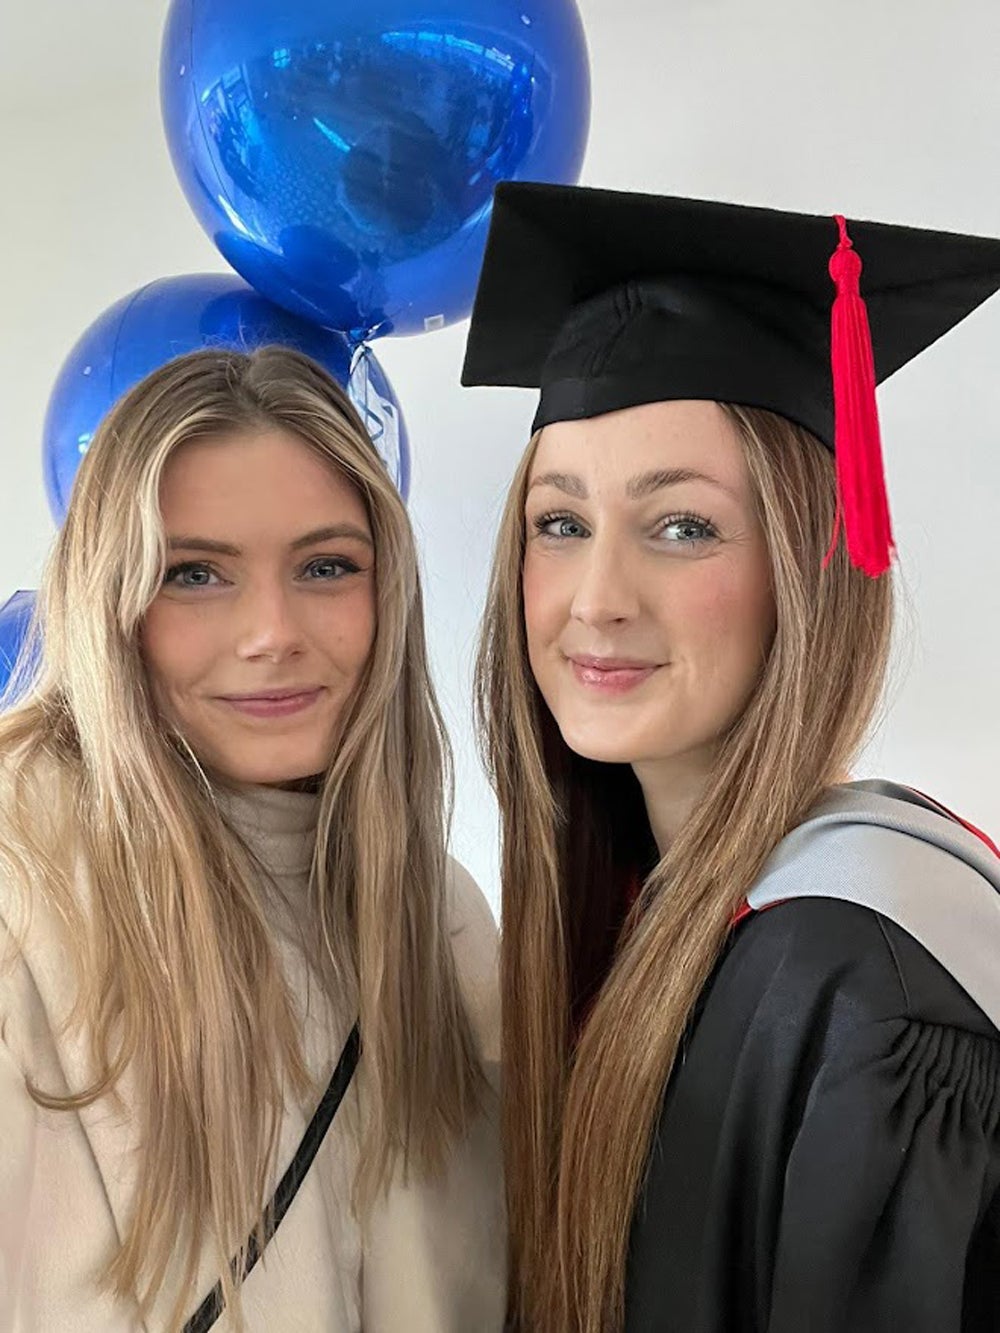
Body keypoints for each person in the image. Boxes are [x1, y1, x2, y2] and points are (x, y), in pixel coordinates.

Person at [464, 181, 1000, 1333]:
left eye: (682, 526)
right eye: (560, 523)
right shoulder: (635, 917)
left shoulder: (863, 979)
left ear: (811, 565)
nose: (594, 600)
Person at [0, 346, 505, 1331]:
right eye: (194, 574)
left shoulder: (439, 915)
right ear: (114, 602)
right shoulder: (27, 895)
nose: (272, 631)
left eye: (326, 566)